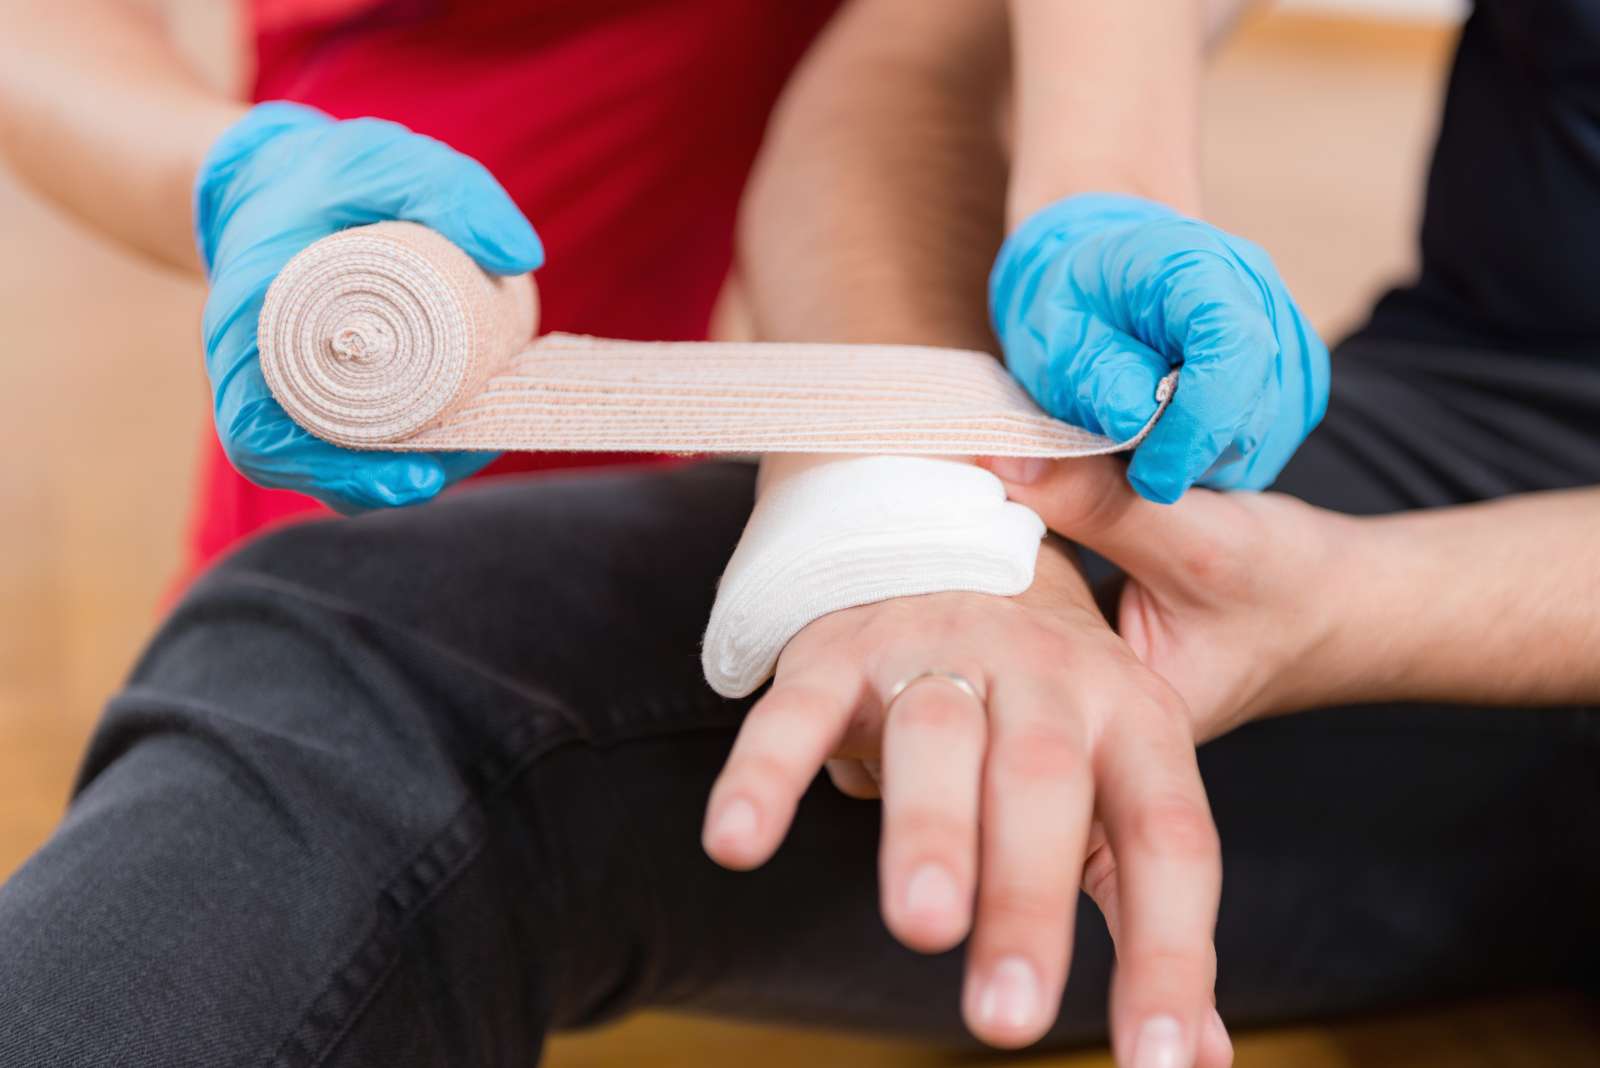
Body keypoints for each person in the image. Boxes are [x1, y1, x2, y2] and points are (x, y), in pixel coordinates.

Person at [0, 2, 1594, 1067]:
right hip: (1494, 414)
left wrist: (1382, 603)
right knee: (353, 674)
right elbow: (916, 57)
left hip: (1434, 583)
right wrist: (934, 507)